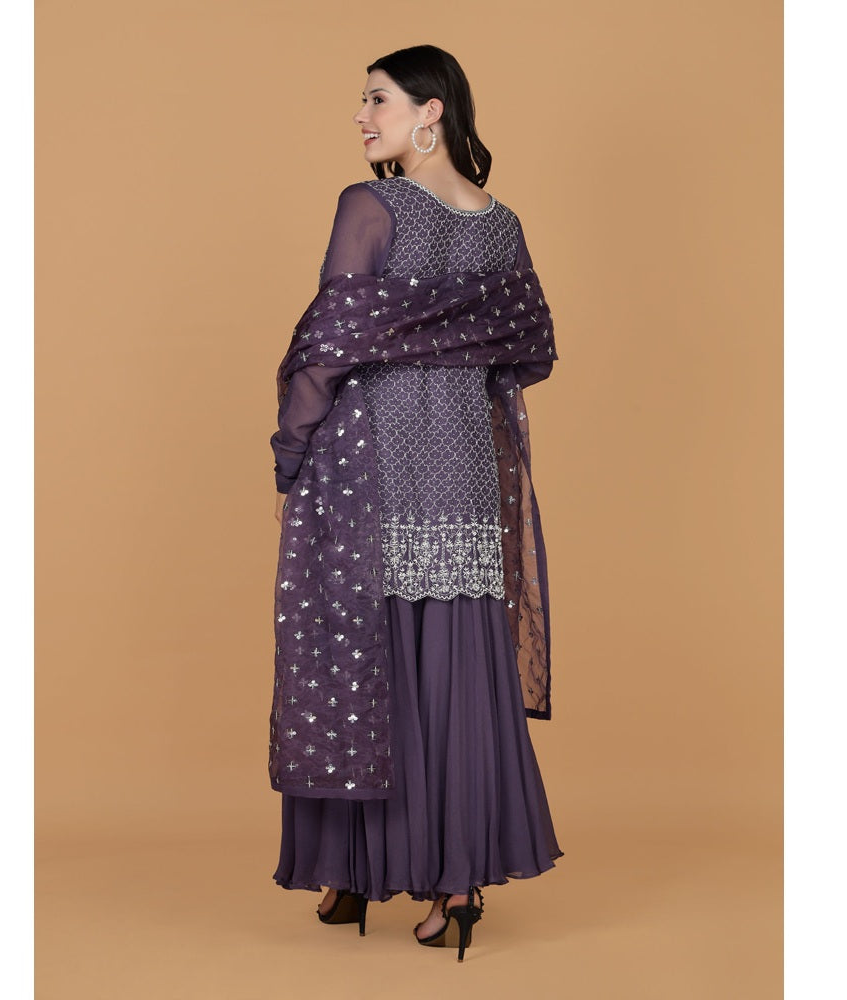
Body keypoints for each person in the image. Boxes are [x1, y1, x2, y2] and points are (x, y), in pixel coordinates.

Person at [268, 44, 562, 961]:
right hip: (463, 475)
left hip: (370, 469)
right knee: (453, 677)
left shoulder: (373, 206)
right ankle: (453, 884)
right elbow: (529, 348)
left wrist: (290, 454)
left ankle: (351, 870)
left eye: (378, 100)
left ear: (430, 111)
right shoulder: (503, 227)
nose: (362, 117)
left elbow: (327, 347)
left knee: (357, 663)